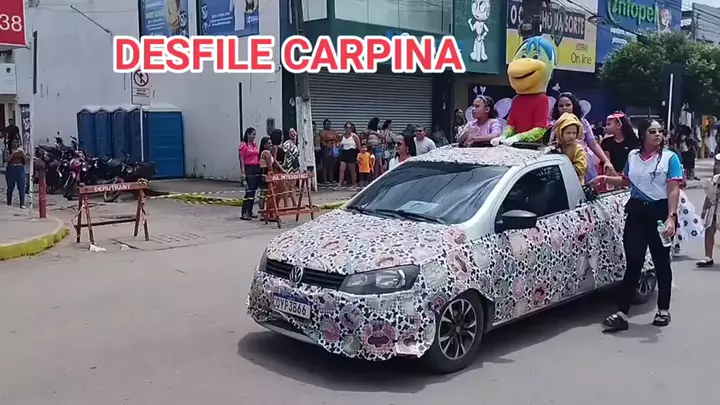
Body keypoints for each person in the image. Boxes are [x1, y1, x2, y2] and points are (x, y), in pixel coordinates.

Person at [592, 119, 681, 331]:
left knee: (661, 262)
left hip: (660, 214)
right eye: (652, 131)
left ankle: (663, 310)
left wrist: (671, 217)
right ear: (642, 135)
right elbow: (627, 181)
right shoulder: (633, 156)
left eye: (660, 131)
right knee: (633, 262)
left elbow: (673, 189)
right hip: (636, 214)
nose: (658, 135)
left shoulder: (670, 158)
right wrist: (605, 179)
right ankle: (622, 313)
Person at [550, 93, 614, 181]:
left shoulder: (583, 122)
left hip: (583, 161)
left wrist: (606, 161)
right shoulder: (554, 125)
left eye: (568, 105)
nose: (564, 108)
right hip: (563, 162)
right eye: (561, 106)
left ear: (574, 106)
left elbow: (593, 144)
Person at [697, 155, 720, 267]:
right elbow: (709, 194)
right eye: (716, 164)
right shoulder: (715, 179)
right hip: (714, 207)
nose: (716, 166)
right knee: (709, 229)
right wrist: (704, 208)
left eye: (718, 164)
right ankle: (708, 257)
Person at [553, 113, 588, 184]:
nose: (571, 136)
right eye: (568, 133)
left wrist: (562, 170)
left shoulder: (578, 149)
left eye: (574, 133)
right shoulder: (555, 147)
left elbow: (580, 169)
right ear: (560, 132)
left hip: (574, 183)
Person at [258, 136, 285, 222]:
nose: (270, 145)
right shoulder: (266, 153)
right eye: (268, 143)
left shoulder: (265, 152)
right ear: (264, 145)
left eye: (270, 143)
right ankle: (266, 214)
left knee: (263, 195)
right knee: (267, 195)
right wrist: (273, 176)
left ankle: (264, 214)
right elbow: (269, 166)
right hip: (267, 176)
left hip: (264, 175)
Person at [239, 127, 260, 220]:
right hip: (248, 168)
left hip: (256, 168)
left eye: (255, 135)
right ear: (248, 134)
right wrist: (243, 172)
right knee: (249, 191)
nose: (254, 136)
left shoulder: (254, 145)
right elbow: (241, 160)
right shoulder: (243, 145)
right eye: (253, 134)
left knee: (253, 191)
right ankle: (244, 212)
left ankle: (250, 211)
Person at [4, 138, 28, 208]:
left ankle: (22, 204)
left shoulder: (21, 150)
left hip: (20, 168)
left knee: (21, 187)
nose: (15, 144)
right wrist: (13, 153)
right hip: (11, 169)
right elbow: (6, 160)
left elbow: (26, 161)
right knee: (10, 187)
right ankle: (9, 203)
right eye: (13, 142)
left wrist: (23, 153)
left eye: (16, 142)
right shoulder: (8, 150)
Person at [281, 128, 300, 207]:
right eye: (290, 132)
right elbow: (285, 153)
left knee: (292, 186)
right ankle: (286, 204)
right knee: (286, 186)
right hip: (288, 166)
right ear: (288, 135)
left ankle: (294, 203)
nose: (293, 133)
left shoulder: (296, 144)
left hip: (295, 167)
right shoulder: (287, 143)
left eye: (293, 131)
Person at [338, 122, 360, 188]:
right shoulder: (342, 136)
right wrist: (339, 146)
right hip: (344, 152)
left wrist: (358, 156)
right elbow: (340, 144)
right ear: (345, 128)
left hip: (351, 152)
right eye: (347, 127)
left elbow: (359, 146)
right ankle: (339, 184)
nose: (348, 129)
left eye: (350, 128)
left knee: (352, 170)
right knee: (341, 169)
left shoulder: (354, 136)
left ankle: (354, 184)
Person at [320, 119, 339, 184]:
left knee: (332, 165)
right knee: (325, 164)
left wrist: (332, 140)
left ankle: (331, 179)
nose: (327, 125)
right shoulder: (322, 131)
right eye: (326, 124)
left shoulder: (333, 131)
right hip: (326, 149)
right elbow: (323, 139)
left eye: (328, 124)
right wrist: (331, 138)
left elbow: (337, 138)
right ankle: (325, 180)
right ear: (323, 125)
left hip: (334, 148)